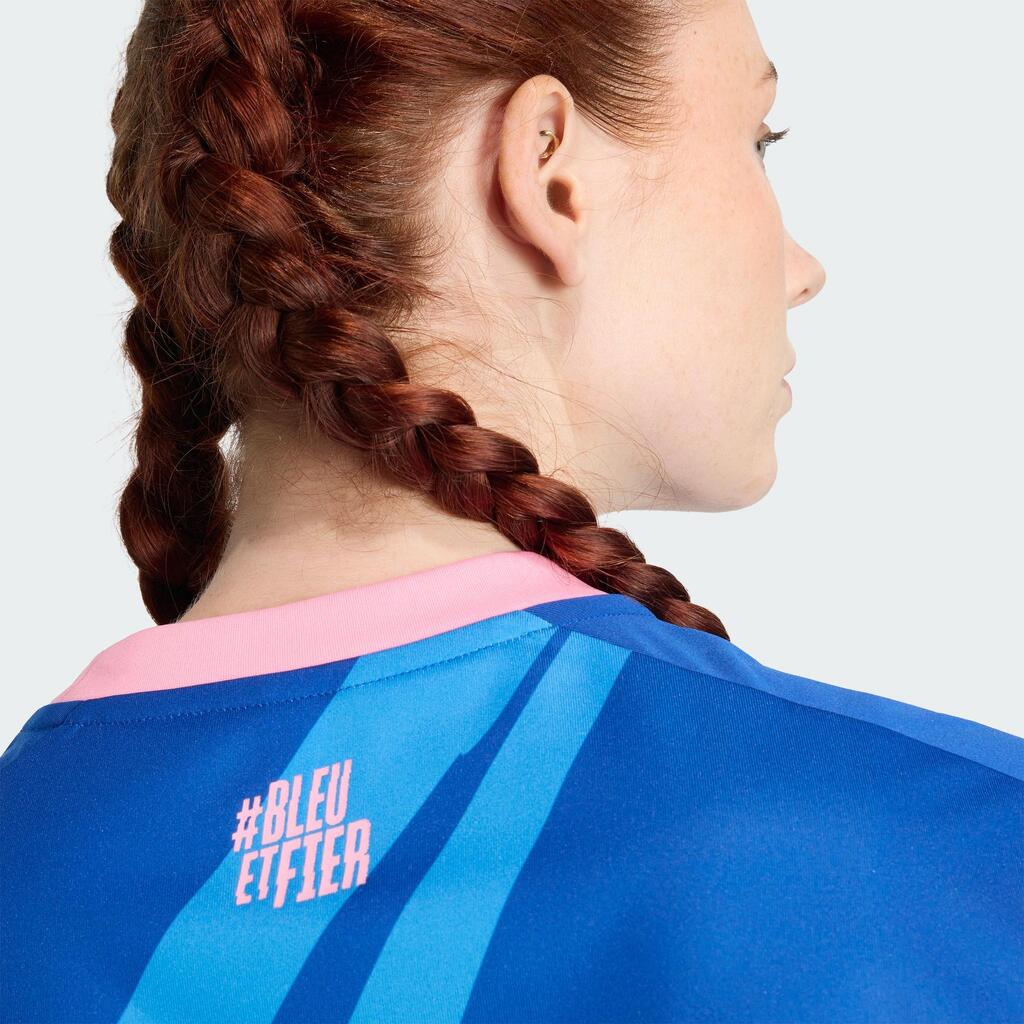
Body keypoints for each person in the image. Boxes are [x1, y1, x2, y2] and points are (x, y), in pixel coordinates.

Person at [1, 0, 1020, 1020]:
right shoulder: (946, 856)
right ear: (549, 171)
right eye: (757, 140)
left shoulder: (29, 859)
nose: (804, 272)